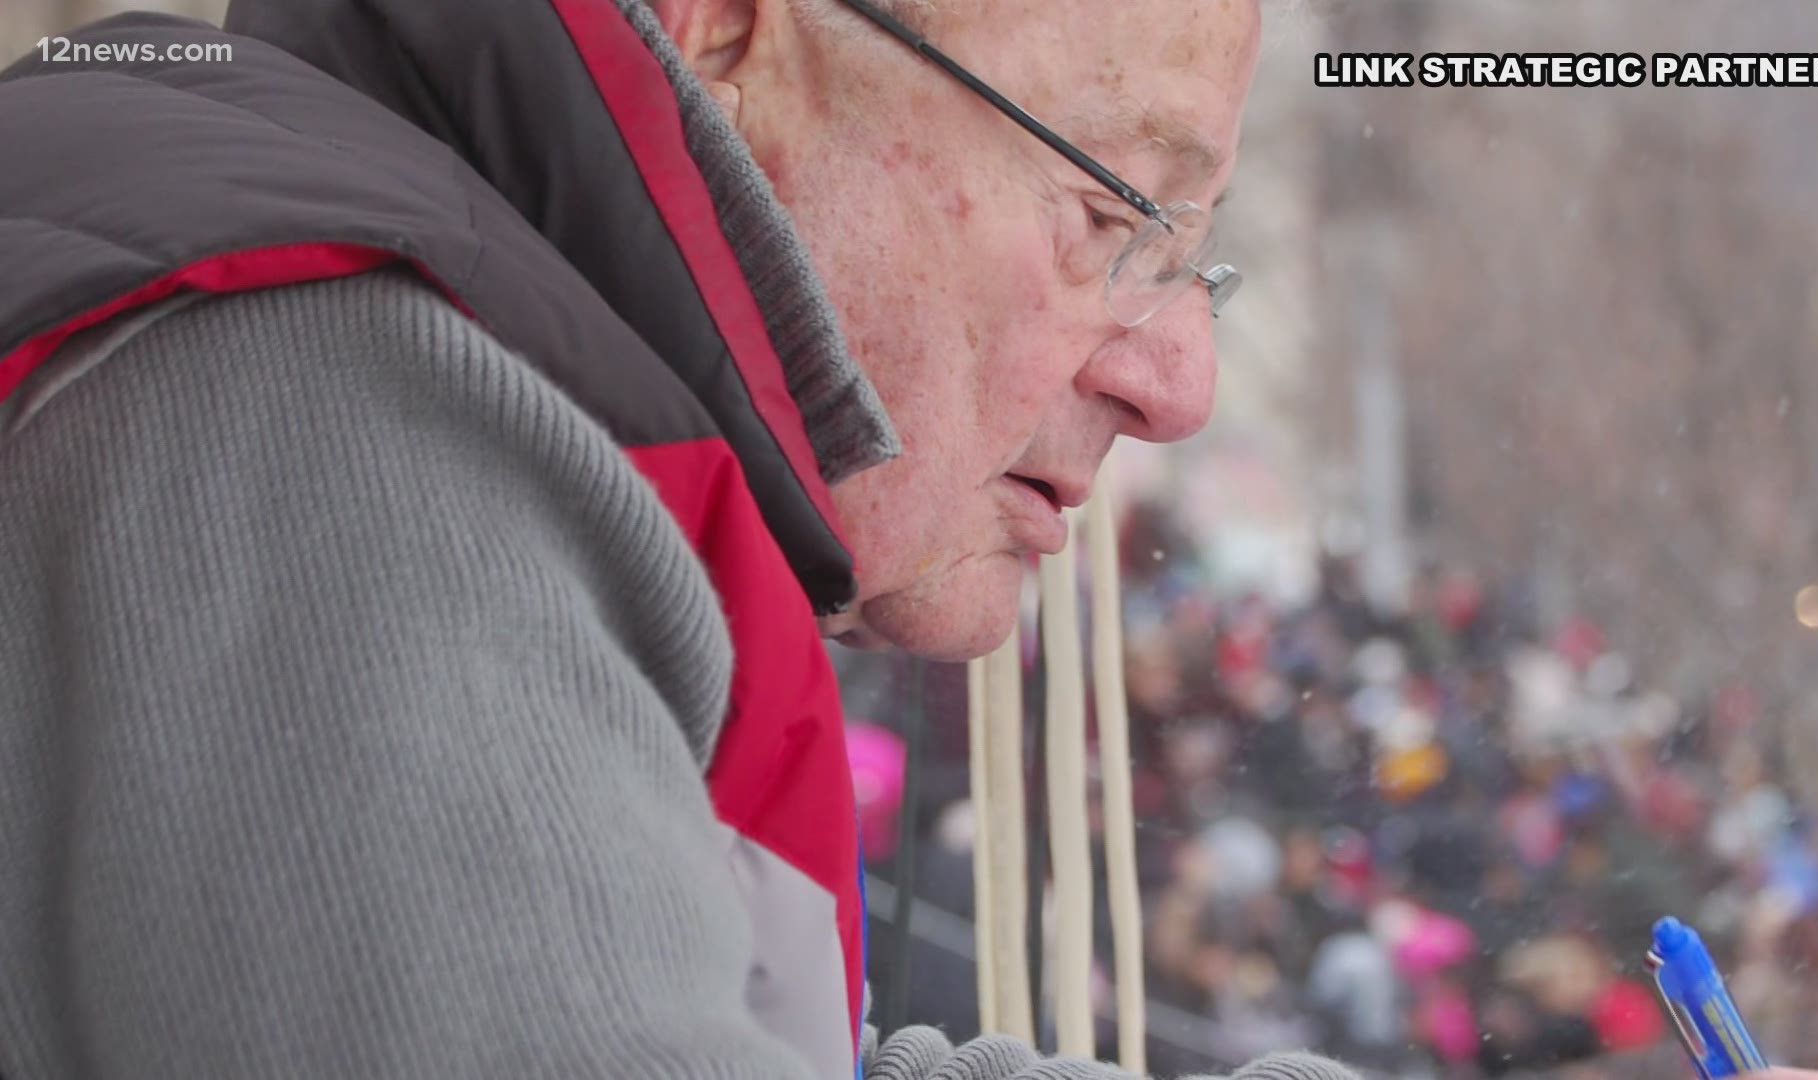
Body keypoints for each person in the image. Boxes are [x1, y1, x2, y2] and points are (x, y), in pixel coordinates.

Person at [0, 0, 1371, 1077]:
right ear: (721, 30)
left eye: (1194, 259)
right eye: (1113, 215)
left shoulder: (418, 363)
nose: (1179, 384)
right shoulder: (329, 420)